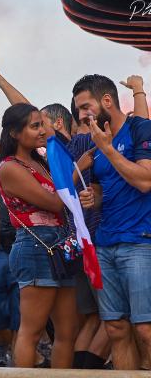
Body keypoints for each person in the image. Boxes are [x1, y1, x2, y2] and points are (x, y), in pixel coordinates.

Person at [75, 74, 151, 370]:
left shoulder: (140, 128)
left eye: (85, 107)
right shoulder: (96, 145)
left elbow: (145, 181)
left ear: (107, 101)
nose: (81, 115)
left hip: (140, 243)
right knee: (116, 329)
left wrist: (107, 149)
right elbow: (108, 186)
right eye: (79, 109)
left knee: (145, 329)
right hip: (105, 244)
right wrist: (94, 197)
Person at [0, 102, 77, 368]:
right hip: (35, 247)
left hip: (60, 244)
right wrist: (77, 174)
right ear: (14, 134)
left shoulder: (40, 160)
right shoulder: (9, 167)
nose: (43, 130)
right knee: (31, 331)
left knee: (67, 332)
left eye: (42, 124)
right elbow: (54, 203)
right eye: (35, 126)